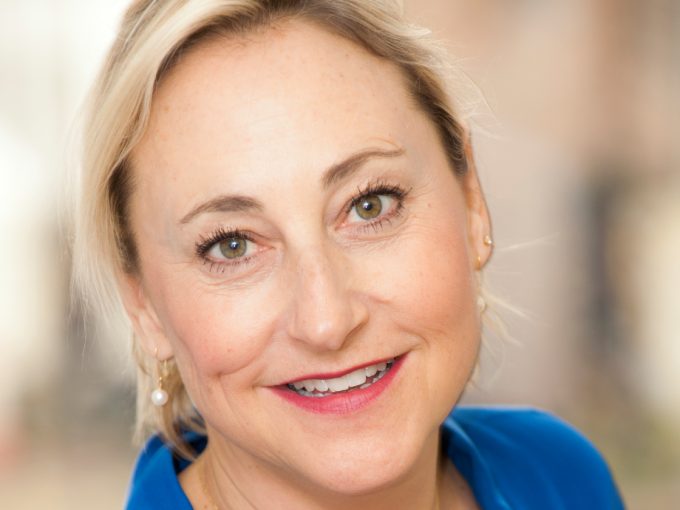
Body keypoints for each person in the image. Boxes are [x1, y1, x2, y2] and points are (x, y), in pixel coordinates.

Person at [72, 1, 625, 508]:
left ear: (470, 200)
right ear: (143, 305)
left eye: (369, 205)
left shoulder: (559, 478)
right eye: (232, 244)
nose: (326, 321)